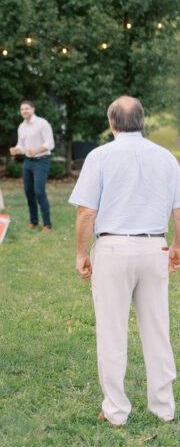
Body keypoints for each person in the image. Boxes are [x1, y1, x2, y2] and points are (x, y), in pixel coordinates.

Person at [69, 95, 180, 427]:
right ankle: (163, 407)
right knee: (157, 329)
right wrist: (177, 245)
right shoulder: (167, 158)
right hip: (154, 248)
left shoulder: (100, 155)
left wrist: (80, 252)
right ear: (142, 121)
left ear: (111, 122)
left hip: (113, 249)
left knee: (112, 330)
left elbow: (87, 211)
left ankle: (116, 410)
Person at [9, 100, 54, 232]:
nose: (24, 111)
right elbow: (22, 146)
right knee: (29, 192)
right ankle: (34, 221)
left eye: (27, 108)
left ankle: (47, 224)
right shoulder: (21, 127)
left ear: (33, 109)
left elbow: (50, 144)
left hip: (42, 160)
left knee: (39, 192)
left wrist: (36, 150)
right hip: (28, 162)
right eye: (22, 109)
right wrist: (16, 150)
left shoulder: (42, 123)